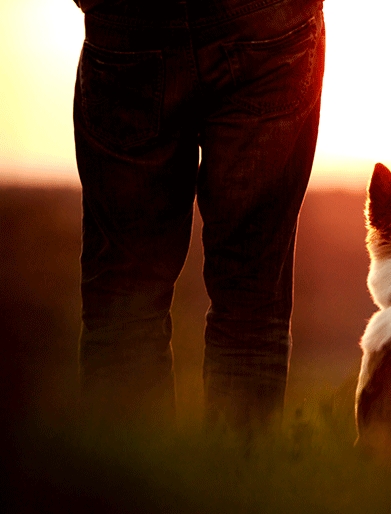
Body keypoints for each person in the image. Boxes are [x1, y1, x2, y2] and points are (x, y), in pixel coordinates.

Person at [73, 0, 325, 436]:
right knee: (251, 303)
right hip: (266, 21)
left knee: (124, 303)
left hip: (130, 20)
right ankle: (234, 492)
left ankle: (129, 495)